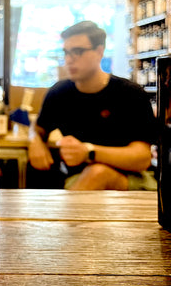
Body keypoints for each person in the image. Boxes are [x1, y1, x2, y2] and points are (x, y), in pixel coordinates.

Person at [28, 20, 158, 190]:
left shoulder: (130, 93)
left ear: (99, 52)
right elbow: (38, 128)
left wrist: (88, 152)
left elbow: (142, 159)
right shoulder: (59, 93)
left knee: (98, 173)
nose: (69, 59)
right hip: (81, 178)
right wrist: (34, 141)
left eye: (78, 51)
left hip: (134, 179)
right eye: (66, 52)